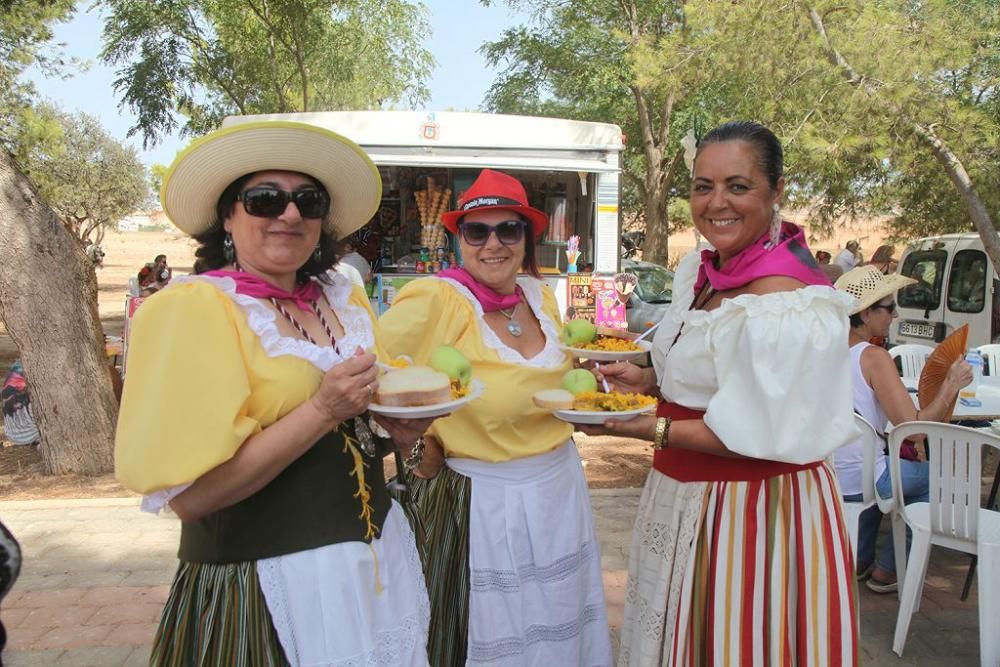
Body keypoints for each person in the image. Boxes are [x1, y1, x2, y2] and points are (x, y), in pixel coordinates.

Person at [115, 121, 432, 665]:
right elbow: (191, 499)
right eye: (265, 200)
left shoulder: (343, 298)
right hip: (268, 588)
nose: (289, 215)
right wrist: (321, 409)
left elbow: (362, 422)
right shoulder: (192, 311)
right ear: (227, 216)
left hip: (373, 572)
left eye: (308, 201)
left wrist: (399, 432)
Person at [583, 121, 859, 664]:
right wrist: (644, 380)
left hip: (754, 513)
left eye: (738, 185)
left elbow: (761, 431)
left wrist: (649, 427)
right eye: (702, 187)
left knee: (735, 641)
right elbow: (710, 375)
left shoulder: (787, 299)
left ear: (777, 190)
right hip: (684, 495)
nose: (716, 203)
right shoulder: (705, 271)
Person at [379, 169, 613, 666]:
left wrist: (600, 388)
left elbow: (567, 377)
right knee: (488, 635)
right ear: (458, 237)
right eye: (477, 230)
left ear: (527, 237)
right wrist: (421, 437)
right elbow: (373, 369)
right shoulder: (436, 299)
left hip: (557, 493)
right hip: (480, 504)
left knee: (559, 624)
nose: (494, 244)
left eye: (509, 229)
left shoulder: (540, 297)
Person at [832, 265, 972, 593]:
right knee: (934, 479)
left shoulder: (825, 350)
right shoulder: (874, 358)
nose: (894, 315)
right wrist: (950, 386)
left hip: (829, 473)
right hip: (863, 478)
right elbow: (915, 431)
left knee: (882, 466)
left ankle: (860, 558)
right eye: (888, 308)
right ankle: (890, 569)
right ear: (866, 314)